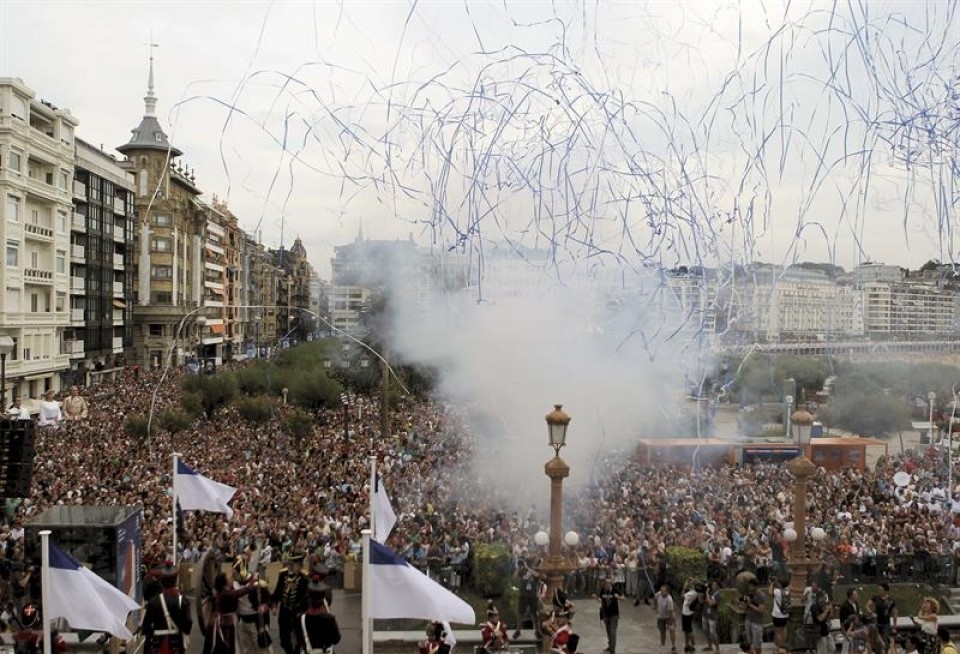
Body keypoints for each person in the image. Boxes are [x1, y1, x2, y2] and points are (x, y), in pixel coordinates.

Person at [141, 563, 193, 654]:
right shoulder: (183, 601)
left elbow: (146, 626)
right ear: (175, 580)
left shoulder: (153, 601)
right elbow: (188, 623)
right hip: (176, 645)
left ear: (161, 580)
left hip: (157, 645)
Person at [203, 569, 256, 654]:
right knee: (230, 643)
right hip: (227, 622)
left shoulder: (224, 590)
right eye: (229, 578)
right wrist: (254, 583)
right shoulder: (226, 594)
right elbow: (242, 591)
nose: (231, 579)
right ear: (225, 583)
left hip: (224, 620)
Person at [271, 551, 309, 654]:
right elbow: (277, 592)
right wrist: (274, 605)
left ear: (300, 565)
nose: (290, 566)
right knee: (284, 641)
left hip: (297, 614)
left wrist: (300, 611)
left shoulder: (304, 578)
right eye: (289, 563)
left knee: (298, 642)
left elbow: (306, 599)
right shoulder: (283, 575)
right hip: (284, 613)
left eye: (294, 563)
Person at [299, 581, 341, 654]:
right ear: (322, 600)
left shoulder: (303, 618)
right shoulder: (329, 618)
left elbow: (300, 639)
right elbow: (336, 639)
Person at [513, 557, 541, 640]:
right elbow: (514, 578)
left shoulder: (535, 571)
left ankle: (537, 631)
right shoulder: (522, 571)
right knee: (520, 613)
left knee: (534, 614)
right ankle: (518, 631)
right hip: (523, 595)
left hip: (532, 596)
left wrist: (529, 569)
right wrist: (518, 569)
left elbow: (538, 575)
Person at [871, 582, 898, 651]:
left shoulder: (891, 601)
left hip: (886, 623)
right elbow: (868, 605)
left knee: (885, 640)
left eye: (881, 590)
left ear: (885, 591)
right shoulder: (876, 598)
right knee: (876, 640)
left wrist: (894, 627)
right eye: (878, 590)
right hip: (877, 622)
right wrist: (872, 612)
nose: (879, 591)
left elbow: (895, 613)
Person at [598, 576, 622, 654]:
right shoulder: (602, 590)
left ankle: (613, 650)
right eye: (606, 583)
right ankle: (610, 646)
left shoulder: (615, 590)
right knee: (608, 632)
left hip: (614, 615)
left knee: (612, 632)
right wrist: (598, 600)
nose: (607, 585)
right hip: (606, 614)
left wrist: (619, 597)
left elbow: (623, 597)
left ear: (611, 584)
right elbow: (601, 599)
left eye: (609, 583)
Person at [744, 579, 766, 654]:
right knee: (749, 643)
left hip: (757, 622)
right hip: (748, 619)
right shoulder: (749, 594)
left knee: (757, 644)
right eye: (749, 586)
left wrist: (750, 604)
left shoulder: (761, 596)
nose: (750, 588)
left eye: (751, 586)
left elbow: (761, 610)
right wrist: (746, 603)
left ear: (755, 586)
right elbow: (746, 608)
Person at [654, 584, 677, 654]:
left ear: (667, 592)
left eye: (663, 591)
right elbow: (654, 599)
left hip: (669, 616)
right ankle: (662, 645)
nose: (661, 592)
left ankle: (673, 646)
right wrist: (655, 607)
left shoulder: (669, 600)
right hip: (660, 616)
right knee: (662, 631)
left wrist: (670, 621)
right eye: (660, 590)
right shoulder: (658, 594)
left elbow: (670, 612)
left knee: (672, 630)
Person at [680, 580, 699, 653]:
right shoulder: (692, 592)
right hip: (686, 612)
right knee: (686, 630)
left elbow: (682, 596)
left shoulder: (692, 593)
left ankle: (693, 645)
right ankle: (687, 644)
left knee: (689, 630)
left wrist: (684, 587)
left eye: (691, 584)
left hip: (687, 613)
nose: (689, 585)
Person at [770, 578, 789, 652]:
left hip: (777, 615)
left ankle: (779, 648)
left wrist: (772, 584)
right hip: (785, 614)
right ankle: (783, 644)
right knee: (784, 629)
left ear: (780, 584)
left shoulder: (777, 591)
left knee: (778, 632)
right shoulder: (787, 591)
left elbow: (770, 592)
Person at [702, 580, 721, 654]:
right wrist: (700, 594)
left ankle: (718, 649)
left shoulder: (718, 595)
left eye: (715, 585)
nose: (713, 586)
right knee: (705, 630)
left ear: (718, 586)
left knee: (713, 632)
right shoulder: (709, 592)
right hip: (705, 614)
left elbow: (711, 603)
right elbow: (701, 601)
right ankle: (709, 645)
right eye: (712, 584)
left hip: (712, 616)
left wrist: (706, 593)